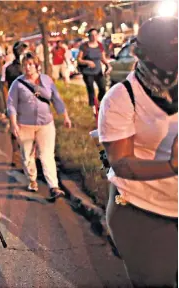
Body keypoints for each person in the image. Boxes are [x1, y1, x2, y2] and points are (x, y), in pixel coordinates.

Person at [98, 16, 178, 287]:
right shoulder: (122, 97)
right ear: (144, 55)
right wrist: (171, 166)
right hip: (143, 213)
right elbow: (121, 163)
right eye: (172, 52)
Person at [7, 52, 71, 199]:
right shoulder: (17, 84)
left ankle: (54, 186)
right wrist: (13, 124)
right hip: (25, 125)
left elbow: (56, 99)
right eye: (25, 65)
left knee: (47, 155)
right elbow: (11, 105)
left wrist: (65, 116)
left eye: (30, 64)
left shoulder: (46, 80)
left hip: (45, 124)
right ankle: (32, 179)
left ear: (36, 66)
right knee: (27, 156)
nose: (28, 68)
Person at [2, 41, 28, 167]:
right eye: (19, 49)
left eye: (23, 49)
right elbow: (5, 86)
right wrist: (7, 103)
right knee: (14, 129)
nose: (21, 51)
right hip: (15, 102)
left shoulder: (30, 66)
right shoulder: (9, 68)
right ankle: (16, 155)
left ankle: (29, 156)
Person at [77, 28, 112, 113]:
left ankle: (99, 104)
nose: (94, 37)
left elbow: (102, 58)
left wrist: (108, 65)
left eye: (95, 35)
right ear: (89, 36)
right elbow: (79, 59)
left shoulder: (100, 45)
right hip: (87, 72)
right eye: (92, 35)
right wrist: (87, 62)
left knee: (103, 88)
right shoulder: (84, 46)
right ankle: (93, 108)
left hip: (98, 71)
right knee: (91, 89)